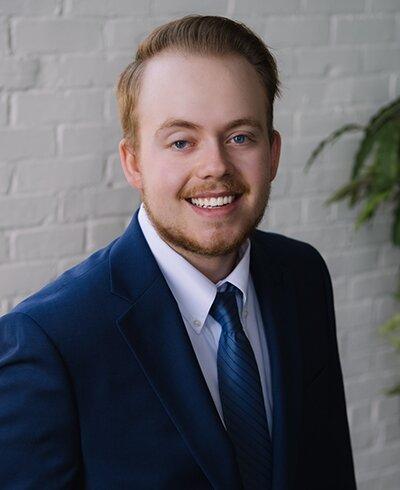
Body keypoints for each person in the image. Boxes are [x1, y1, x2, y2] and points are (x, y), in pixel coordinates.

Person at [0, 15, 356, 490]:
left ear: (272, 154)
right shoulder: (49, 341)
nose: (215, 166)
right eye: (181, 141)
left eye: (240, 137)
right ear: (133, 163)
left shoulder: (303, 273)